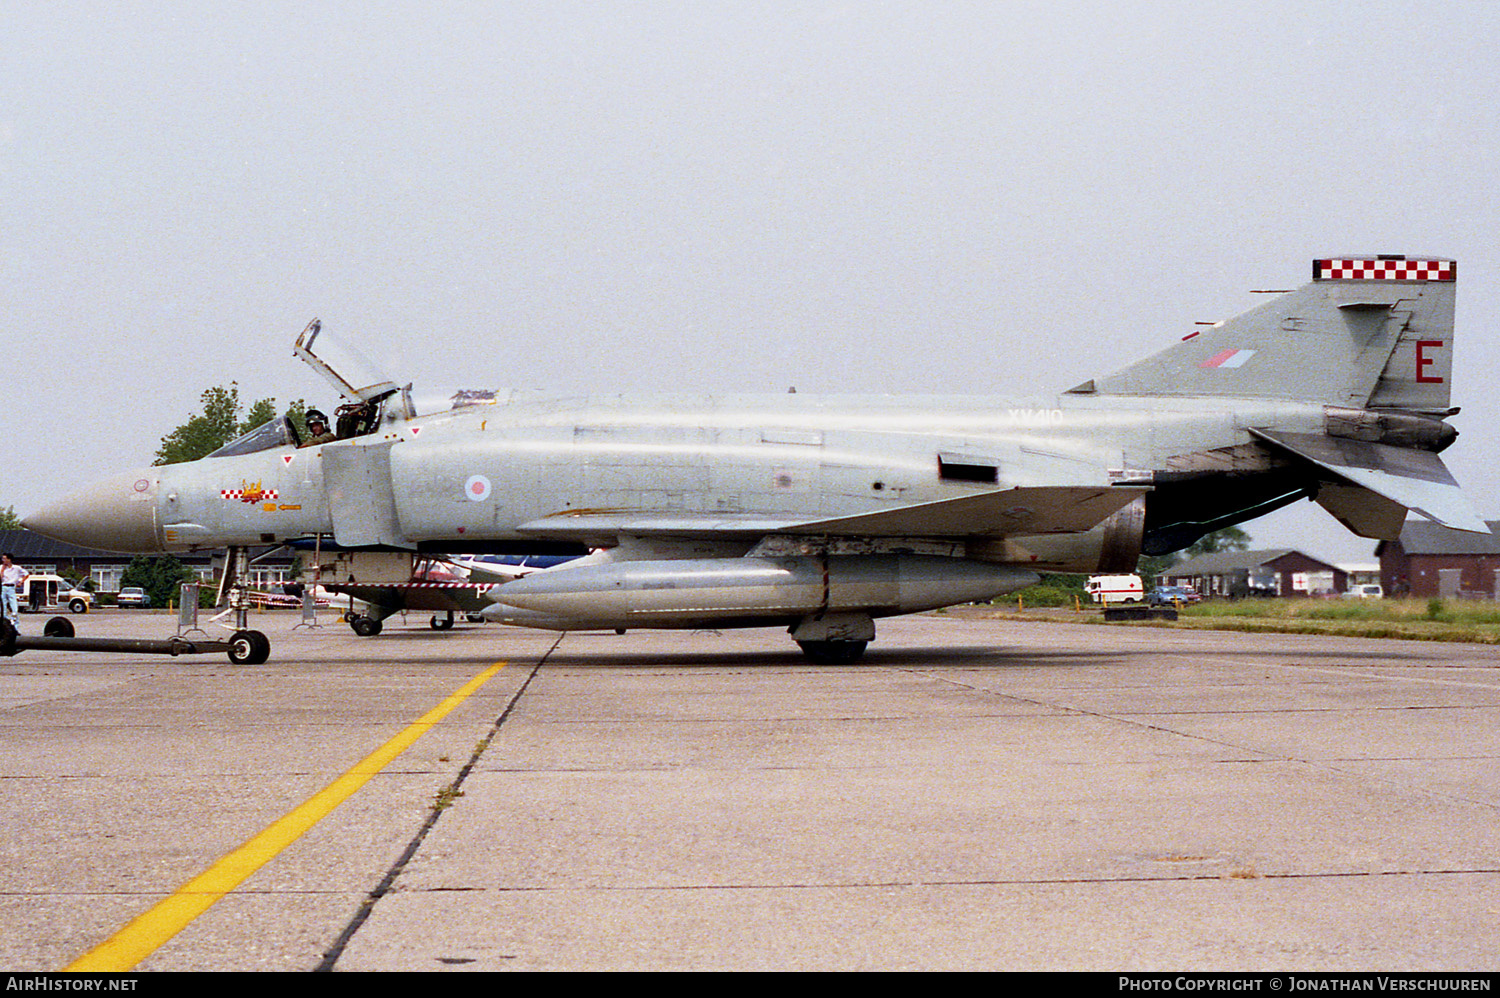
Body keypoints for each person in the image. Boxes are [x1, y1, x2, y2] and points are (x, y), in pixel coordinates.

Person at [1, 554, 27, 626]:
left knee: (14, 608)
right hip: (3, 587)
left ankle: (15, 626)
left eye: (5, 559)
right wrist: (2, 570)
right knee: (2, 608)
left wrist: (21, 582)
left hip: (12, 587)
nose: (3, 560)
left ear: (9, 560)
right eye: (3, 559)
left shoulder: (16, 568)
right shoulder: (1, 567)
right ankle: (4, 625)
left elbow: (26, 574)